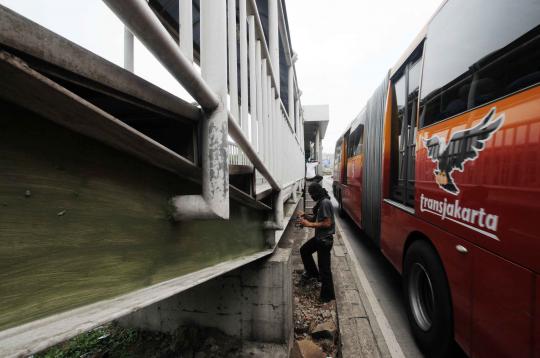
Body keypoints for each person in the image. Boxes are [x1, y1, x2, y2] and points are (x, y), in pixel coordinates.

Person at [297, 182, 335, 302]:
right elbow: (316, 218)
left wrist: (309, 224)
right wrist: (306, 217)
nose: (311, 196)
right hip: (320, 238)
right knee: (304, 250)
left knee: (325, 269)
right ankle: (313, 273)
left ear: (315, 193)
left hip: (325, 240)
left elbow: (327, 223)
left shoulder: (325, 203)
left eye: (311, 194)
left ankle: (327, 296)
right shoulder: (321, 202)